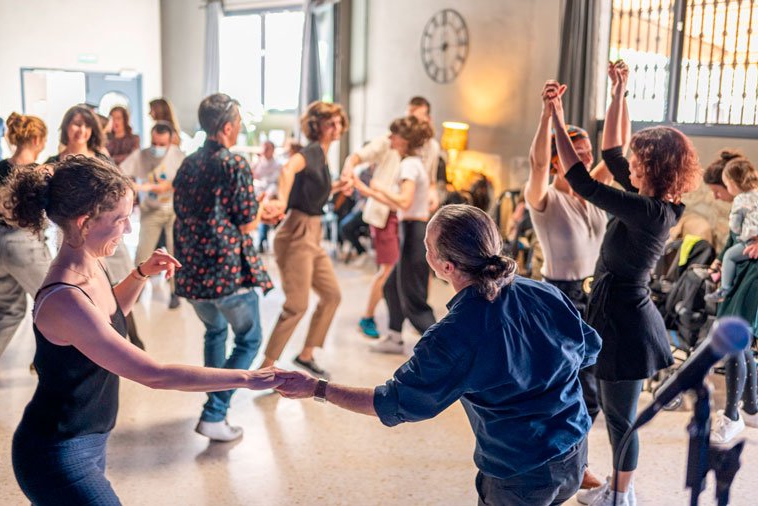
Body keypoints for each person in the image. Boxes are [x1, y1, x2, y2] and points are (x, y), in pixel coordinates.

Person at [273, 204, 601, 506]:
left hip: (521, 473)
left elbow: (393, 403)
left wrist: (316, 388)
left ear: (445, 266)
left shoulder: (454, 335)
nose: (424, 251)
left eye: (427, 247)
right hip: (575, 451)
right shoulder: (543, 291)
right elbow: (588, 349)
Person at [4, 156, 282, 505]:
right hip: (56, 453)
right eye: (120, 219)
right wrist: (248, 379)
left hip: (88, 440)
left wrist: (140, 274)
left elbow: (108, 315)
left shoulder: (90, 264)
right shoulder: (65, 298)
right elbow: (155, 374)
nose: (128, 229)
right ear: (85, 222)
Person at [550, 69, 701, 506]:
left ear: (652, 167)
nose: (629, 164)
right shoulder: (651, 201)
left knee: (621, 420)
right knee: (615, 413)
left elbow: (581, 180)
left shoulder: (649, 211)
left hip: (626, 324)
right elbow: (611, 150)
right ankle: (618, 488)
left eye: (638, 160)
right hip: (616, 314)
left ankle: (620, 495)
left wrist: (557, 115)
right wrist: (619, 93)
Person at [526, 67, 630, 490]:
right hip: (561, 297)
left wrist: (619, 93)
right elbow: (536, 162)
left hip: (595, 295)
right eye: (577, 153)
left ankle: (572, 461)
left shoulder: (591, 193)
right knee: (571, 389)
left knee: (589, 391)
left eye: (587, 153)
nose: (585, 159)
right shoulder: (544, 199)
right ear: (559, 158)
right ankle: (571, 465)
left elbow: (617, 152)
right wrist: (549, 114)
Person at [173, 93, 276, 441]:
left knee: (215, 332)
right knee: (250, 339)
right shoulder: (233, 164)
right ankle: (214, 413)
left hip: (193, 270)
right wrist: (262, 210)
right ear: (228, 127)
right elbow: (246, 222)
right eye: (239, 123)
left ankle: (214, 407)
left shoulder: (188, 163)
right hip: (226, 271)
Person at [259, 101, 352, 378]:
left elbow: (313, 192)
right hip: (296, 233)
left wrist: (337, 186)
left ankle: (306, 354)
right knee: (297, 305)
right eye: (329, 122)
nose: (335, 127)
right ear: (316, 125)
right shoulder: (311, 151)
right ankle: (265, 368)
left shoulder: (322, 155)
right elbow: (288, 169)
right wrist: (281, 200)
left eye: (338, 122)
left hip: (314, 234)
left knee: (331, 295)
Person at [47, 104, 145, 350]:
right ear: (66, 128)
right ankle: (84, 340)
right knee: (84, 290)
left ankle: (130, 338)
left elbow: (121, 188)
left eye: (86, 125)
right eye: (76, 124)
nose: (81, 130)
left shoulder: (101, 158)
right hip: (75, 238)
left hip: (106, 233)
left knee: (115, 285)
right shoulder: (53, 163)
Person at [352, 116, 436, 353]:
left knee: (414, 301)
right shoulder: (414, 163)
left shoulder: (409, 165)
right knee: (391, 286)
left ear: (405, 140)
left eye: (394, 135)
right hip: (410, 230)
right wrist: (370, 190)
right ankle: (394, 337)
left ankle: (444, 350)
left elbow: (404, 201)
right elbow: (402, 204)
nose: (389, 139)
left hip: (414, 233)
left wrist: (379, 188)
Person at [702, 151, 758, 443]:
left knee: (736, 339)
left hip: (754, 277)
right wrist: (718, 265)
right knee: (740, 342)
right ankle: (751, 407)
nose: (716, 196)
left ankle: (732, 415)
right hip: (742, 277)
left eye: (718, 189)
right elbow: (731, 244)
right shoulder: (742, 205)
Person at [0, 113, 52, 361]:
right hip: (23, 245)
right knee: (54, 305)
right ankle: (49, 363)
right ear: (37, 139)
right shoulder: (37, 173)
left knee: (8, 311)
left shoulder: (0, 167)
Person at [120, 121, 184, 309]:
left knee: (174, 251)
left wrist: (153, 186)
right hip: (151, 211)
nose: (157, 148)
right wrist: (132, 186)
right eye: (154, 143)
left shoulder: (178, 156)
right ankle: (135, 288)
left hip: (173, 211)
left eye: (162, 144)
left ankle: (175, 292)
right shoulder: (142, 155)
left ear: (170, 141)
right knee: (143, 252)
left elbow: (178, 183)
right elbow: (121, 172)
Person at [704, 158, 758, 303]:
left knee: (729, 256)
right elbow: (731, 239)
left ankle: (724, 289)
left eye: (718, 190)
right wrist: (718, 260)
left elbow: (735, 228)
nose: (715, 197)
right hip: (748, 246)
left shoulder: (740, 200)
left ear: (732, 184)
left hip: (749, 247)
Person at [251, 140, 282, 252]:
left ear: (272, 150)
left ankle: (261, 240)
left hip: (270, 195)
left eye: (267, 148)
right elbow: (252, 175)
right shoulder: (257, 162)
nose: (264, 151)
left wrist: (267, 195)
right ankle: (262, 240)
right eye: (264, 148)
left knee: (265, 215)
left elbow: (274, 182)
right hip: (257, 194)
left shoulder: (277, 165)